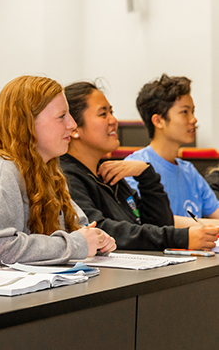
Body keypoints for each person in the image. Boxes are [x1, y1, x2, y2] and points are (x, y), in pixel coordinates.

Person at [0, 75, 116, 265]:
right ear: (27, 124)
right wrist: (77, 244)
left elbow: (79, 228)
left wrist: (97, 239)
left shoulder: (48, 170)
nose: (72, 124)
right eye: (62, 116)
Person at [61, 81, 218, 250]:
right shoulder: (67, 177)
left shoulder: (109, 171)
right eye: (103, 114)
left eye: (111, 112)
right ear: (73, 128)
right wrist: (179, 238)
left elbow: (158, 222)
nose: (113, 120)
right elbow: (99, 230)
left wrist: (146, 174)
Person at [125, 74, 219, 219]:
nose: (193, 120)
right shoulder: (134, 167)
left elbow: (216, 214)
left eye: (192, 112)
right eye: (184, 112)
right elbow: (152, 222)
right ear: (158, 121)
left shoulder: (189, 171)